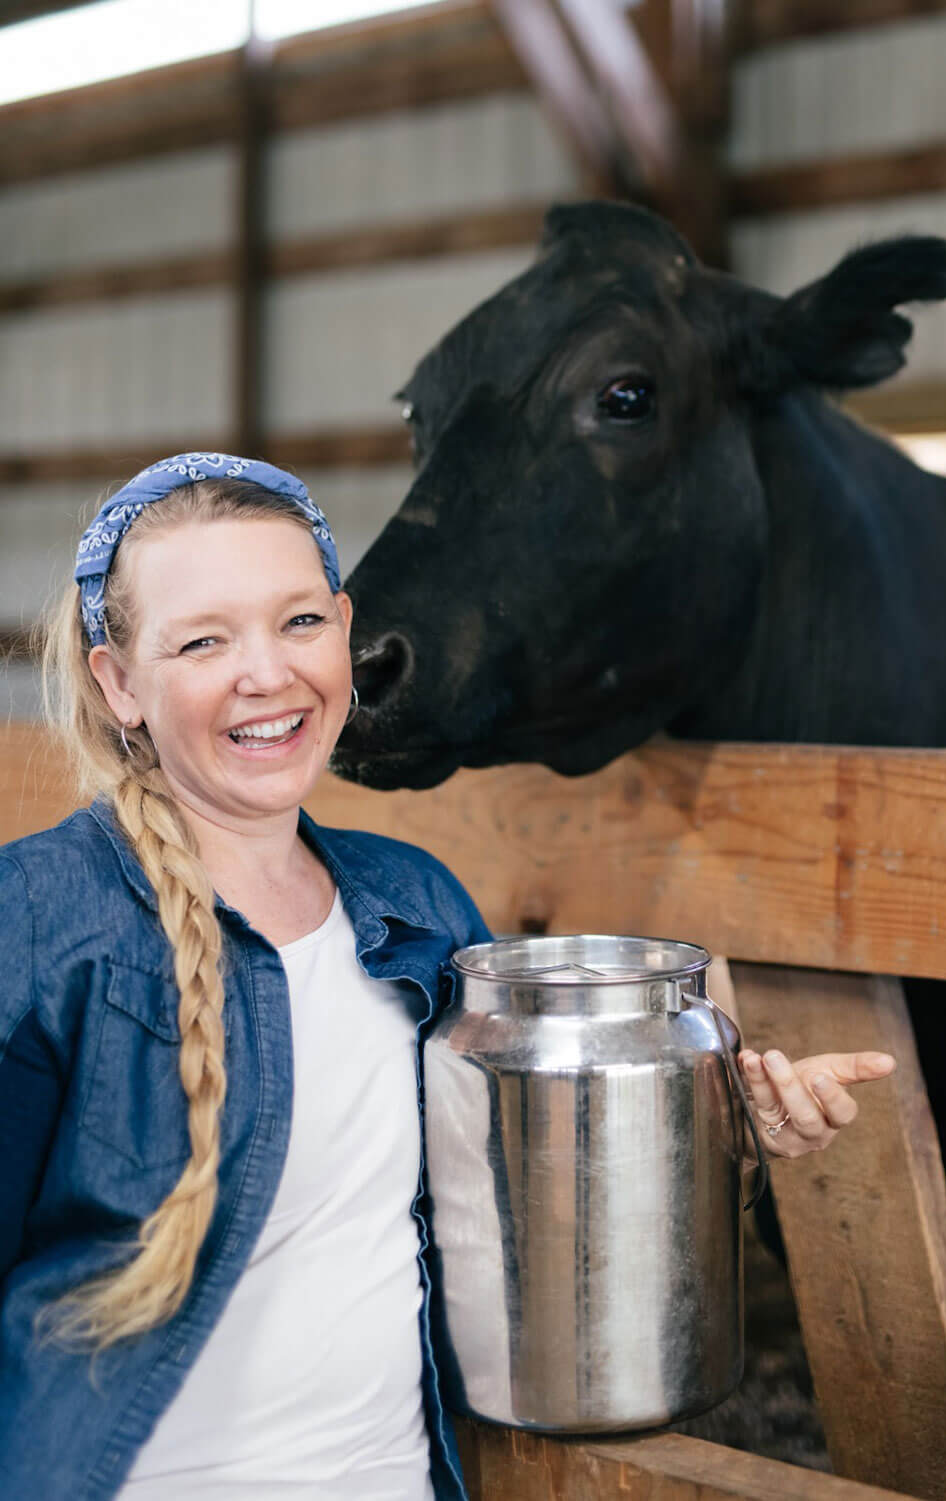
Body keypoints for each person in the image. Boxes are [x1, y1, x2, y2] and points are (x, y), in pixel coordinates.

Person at [0, 452, 896, 1500]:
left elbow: (524, 1211)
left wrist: (722, 1136)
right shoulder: (38, 917)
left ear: (345, 629)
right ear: (119, 683)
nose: (267, 673)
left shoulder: (416, 902)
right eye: (203, 640)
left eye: (299, 623)